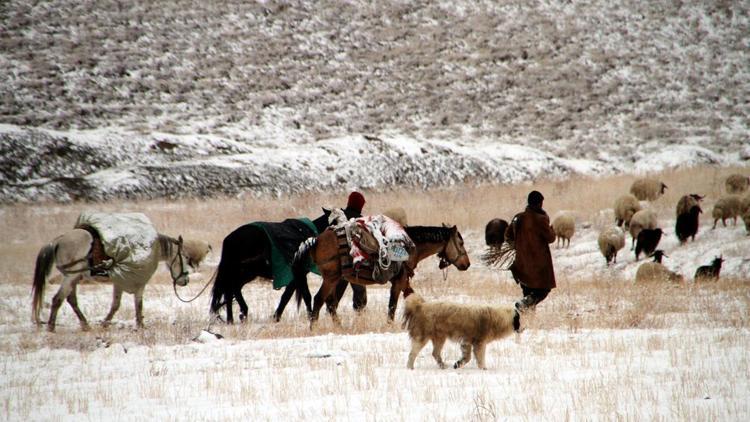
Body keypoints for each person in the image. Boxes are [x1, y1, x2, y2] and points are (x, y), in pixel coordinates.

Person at [311, 191, 368, 311]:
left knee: (338, 287)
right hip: (354, 263)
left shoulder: (338, 216)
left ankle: (331, 309)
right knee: (360, 291)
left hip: (337, 261)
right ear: (360, 205)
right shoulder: (360, 221)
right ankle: (359, 313)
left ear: (349, 202)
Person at [504, 190, 556, 312]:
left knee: (527, 291)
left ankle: (527, 320)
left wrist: (517, 247)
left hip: (521, 263)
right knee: (543, 289)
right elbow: (551, 238)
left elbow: (507, 235)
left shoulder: (518, 218)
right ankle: (522, 305)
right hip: (538, 264)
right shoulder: (540, 219)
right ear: (539, 203)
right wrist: (552, 229)